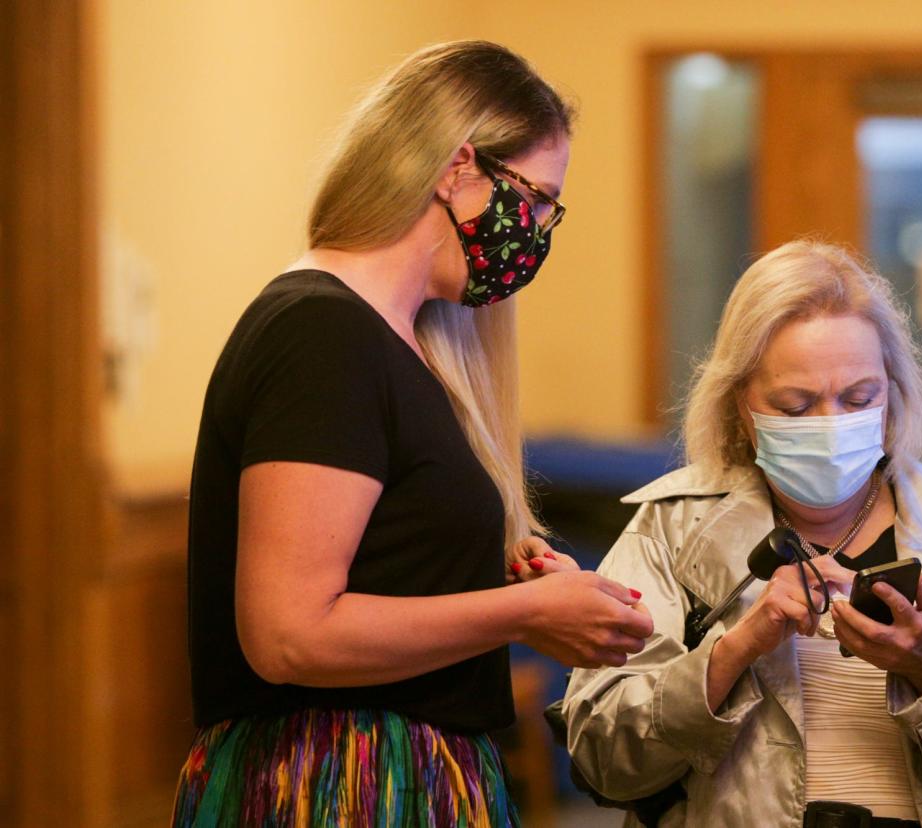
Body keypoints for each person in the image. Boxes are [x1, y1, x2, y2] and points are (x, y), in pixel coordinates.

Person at [171, 41, 653, 827]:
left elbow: (384, 575)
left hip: (403, 772)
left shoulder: (404, 342)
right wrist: (524, 615)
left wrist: (512, 582)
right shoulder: (323, 333)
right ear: (457, 167)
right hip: (332, 781)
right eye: (534, 199)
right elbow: (289, 635)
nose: (535, 232)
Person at [564, 240, 922, 827]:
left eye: (858, 398)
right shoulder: (671, 533)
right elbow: (602, 758)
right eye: (796, 406)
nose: (830, 426)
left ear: (894, 394)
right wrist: (735, 651)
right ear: (740, 407)